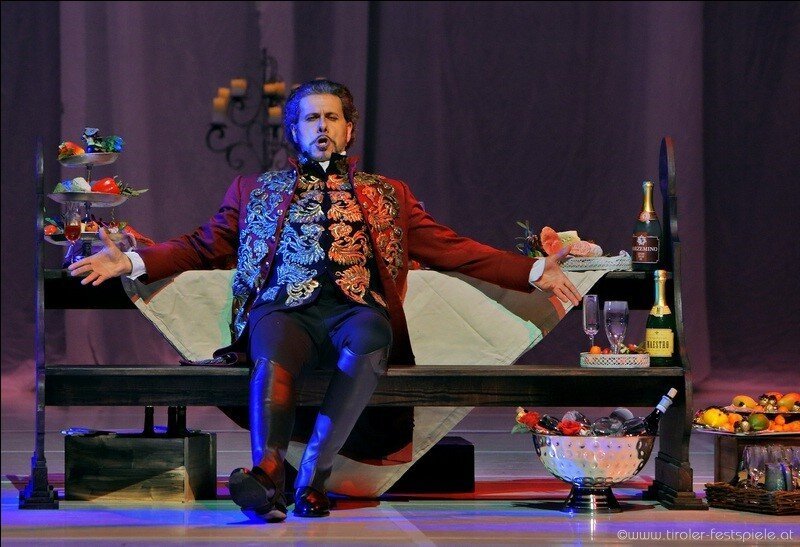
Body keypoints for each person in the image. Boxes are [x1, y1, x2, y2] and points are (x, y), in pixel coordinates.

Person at [68, 79, 581, 521]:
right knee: (271, 345)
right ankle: (269, 471)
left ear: (348, 129)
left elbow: (451, 247)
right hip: (283, 309)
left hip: (354, 309)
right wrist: (132, 261)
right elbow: (203, 244)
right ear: (294, 131)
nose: (322, 126)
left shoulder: (388, 192)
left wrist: (533, 269)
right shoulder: (256, 188)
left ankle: (314, 471)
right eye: (311, 118)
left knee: (372, 335)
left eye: (332, 117)